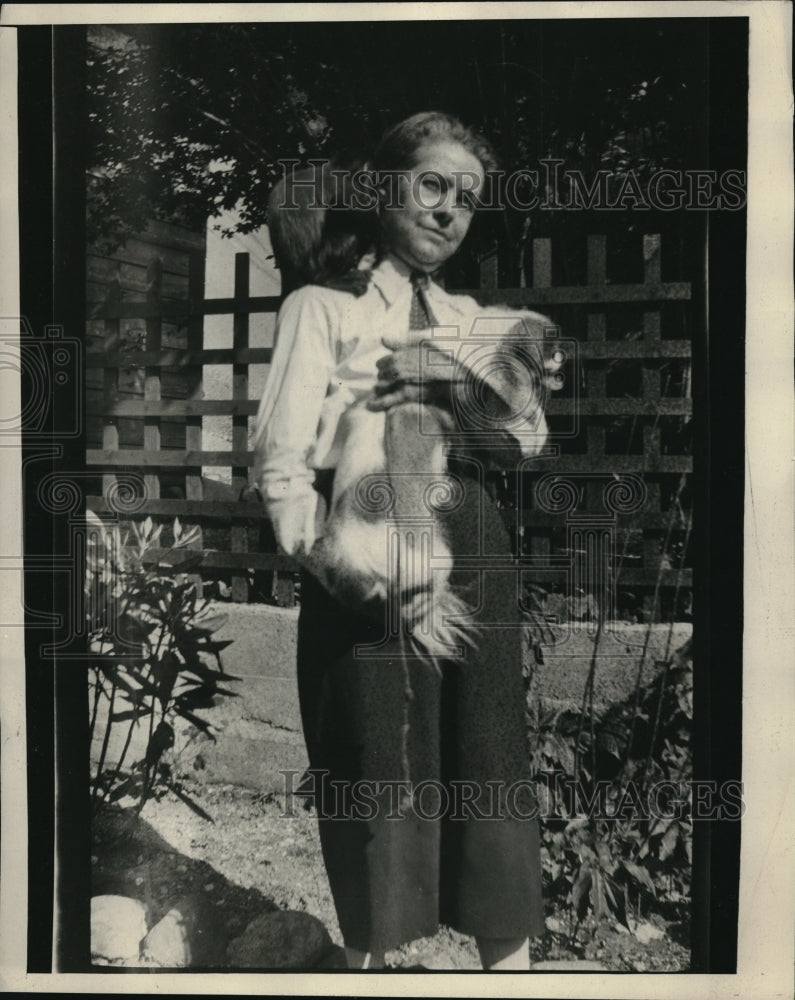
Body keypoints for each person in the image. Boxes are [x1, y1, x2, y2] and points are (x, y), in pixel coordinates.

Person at [253, 112, 549, 970]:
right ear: (386, 187)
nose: (449, 209)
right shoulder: (322, 308)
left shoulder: (469, 320)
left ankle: (510, 972)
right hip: (367, 554)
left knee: (488, 747)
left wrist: (449, 378)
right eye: (432, 184)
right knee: (374, 756)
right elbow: (280, 463)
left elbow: (524, 441)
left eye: (466, 198)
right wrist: (329, 565)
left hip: (473, 547)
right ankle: (366, 970)